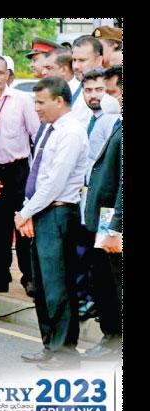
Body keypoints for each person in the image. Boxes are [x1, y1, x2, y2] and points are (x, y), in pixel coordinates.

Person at [16, 77, 90, 370]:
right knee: (43, 285)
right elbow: (39, 176)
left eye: (41, 102)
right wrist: (28, 211)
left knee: (58, 285)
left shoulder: (71, 132)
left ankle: (65, 352)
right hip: (41, 211)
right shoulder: (50, 129)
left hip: (58, 213)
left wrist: (25, 213)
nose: (36, 109)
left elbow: (55, 182)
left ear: (59, 100)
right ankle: (50, 345)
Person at [0, 55, 41, 297]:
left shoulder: (22, 100)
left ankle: (29, 277)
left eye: (0, 73)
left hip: (18, 168)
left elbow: (36, 135)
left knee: (23, 222)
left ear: (7, 75)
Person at [80, 64, 122, 361]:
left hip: (113, 216)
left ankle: (114, 338)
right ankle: (111, 335)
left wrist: (115, 227)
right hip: (106, 214)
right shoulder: (118, 121)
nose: (109, 97)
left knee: (113, 280)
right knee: (104, 277)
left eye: (112, 91)